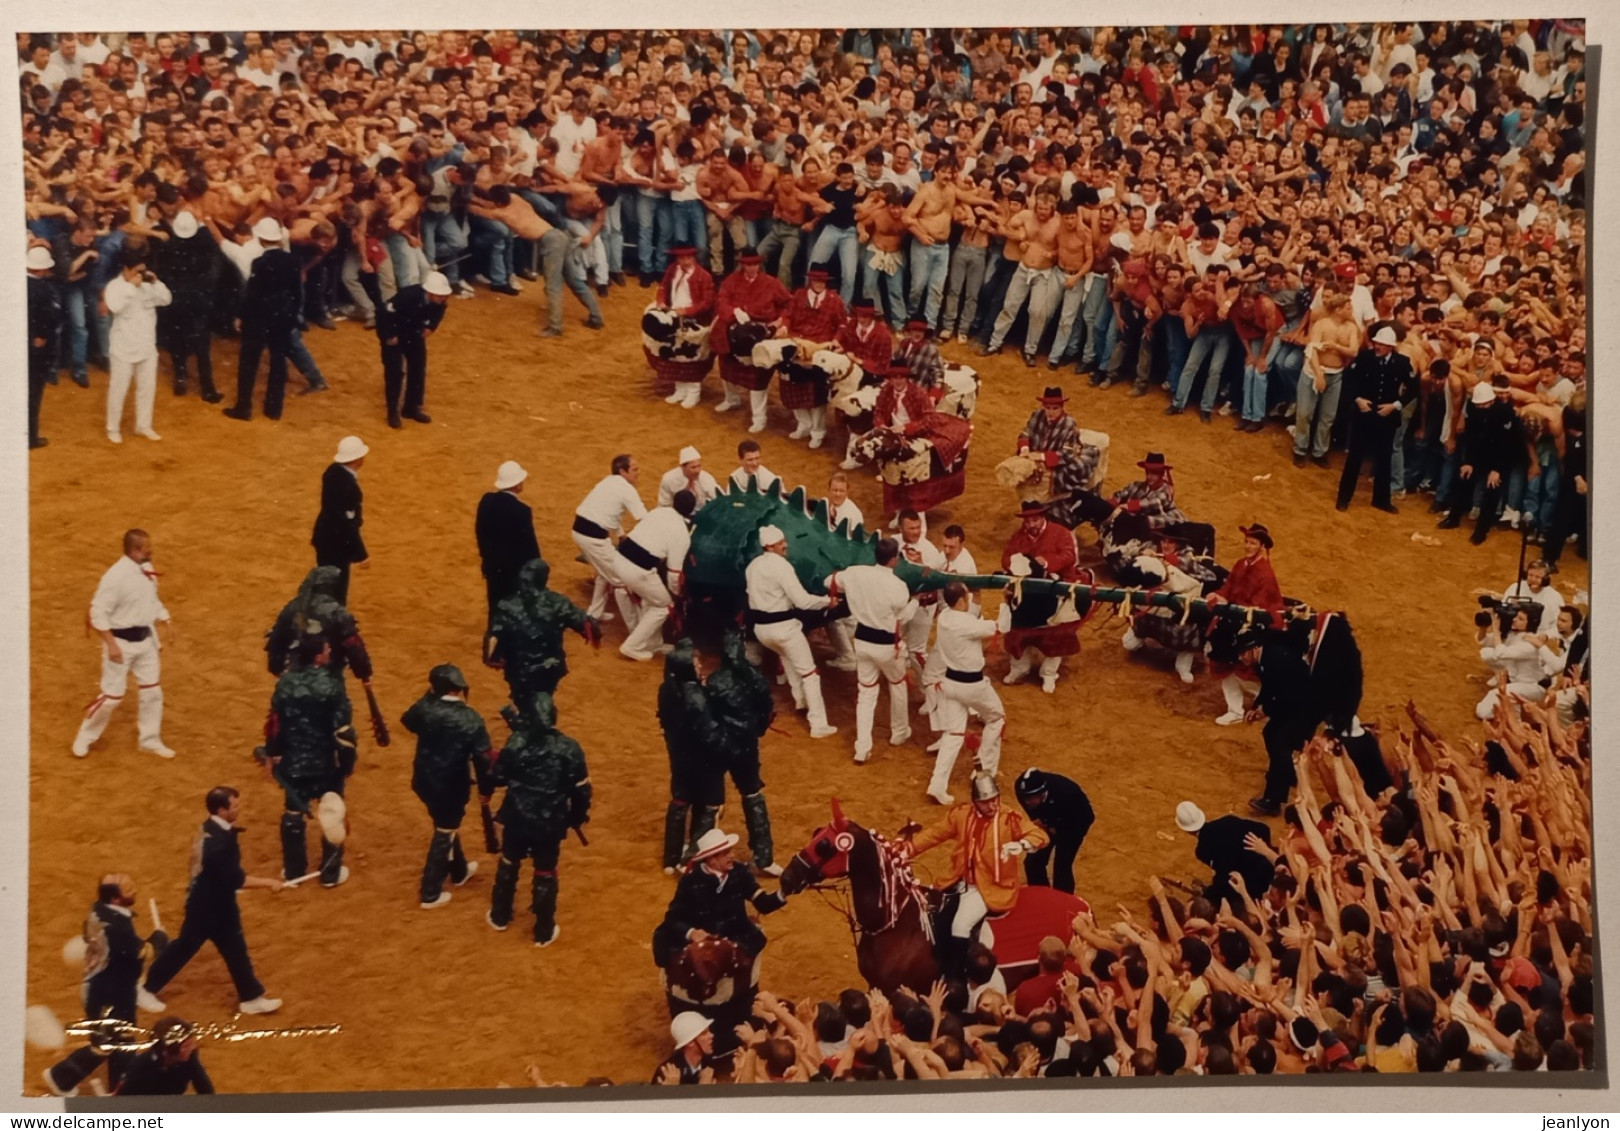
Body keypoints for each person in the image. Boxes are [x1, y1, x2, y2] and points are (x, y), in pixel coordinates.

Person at [140, 786, 282, 1016]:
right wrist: (268, 883)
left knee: (236, 949)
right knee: (185, 947)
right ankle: (146, 988)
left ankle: (251, 997)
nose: (239, 809)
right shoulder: (218, 844)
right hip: (205, 908)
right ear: (221, 810)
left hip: (220, 903)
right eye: (234, 806)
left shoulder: (212, 830)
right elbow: (237, 879)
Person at [902, 773, 1049, 979]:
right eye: (985, 802)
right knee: (933, 911)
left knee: (961, 924)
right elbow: (934, 835)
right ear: (975, 802)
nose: (992, 806)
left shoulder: (1009, 818)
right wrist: (904, 850)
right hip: (959, 880)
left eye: (994, 800)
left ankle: (956, 978)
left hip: (990, 887)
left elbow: (1039, 835)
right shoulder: (961, 815)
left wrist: (1023, 843)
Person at [42, 875, 167, 1097]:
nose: (135, 890)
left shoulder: (98, 910)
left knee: (117, 1041)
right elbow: (142, 953)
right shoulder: (117, 929)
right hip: (109, 996)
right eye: (129, 889)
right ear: (116, 899)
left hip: (105, 988)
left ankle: (113, 1088)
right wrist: (159, 940)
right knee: (111, 1043)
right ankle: (61, 1077)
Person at [485, 692, 592, 946]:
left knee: (509, 864)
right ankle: (543, 931)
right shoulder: (569, 748)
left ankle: (500, 916)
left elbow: (497, 777)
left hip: (516, 818)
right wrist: (575, 817)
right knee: (545, 872)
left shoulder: (517, 741)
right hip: (549, 823)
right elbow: (581, 790)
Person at [262, 626, 356, 888]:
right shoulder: (333, 686)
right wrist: (347, 762)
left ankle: (294, 872)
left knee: (293, 812)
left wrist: (271, 756)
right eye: (325, 650)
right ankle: (330, 873)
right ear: (317, 657)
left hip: (293, 762)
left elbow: (275, 724)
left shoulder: (285, 683)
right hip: (327, 764)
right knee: (332, 811)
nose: (329, 652)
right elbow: (344, 731)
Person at [72, 529, 174, 760]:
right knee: (112, 697)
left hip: (145, 641)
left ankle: (149, 740)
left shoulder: (146, 568)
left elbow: (150, 599)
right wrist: (112, 645)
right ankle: (85, 736)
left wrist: (164, 617)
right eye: (148, 547)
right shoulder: (114, 578)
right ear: (135, 550)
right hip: (120, 643)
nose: (151, 550)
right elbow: (97, 613)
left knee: (152, 691)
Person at [402, 664, 494, 909]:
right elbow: (484, 760)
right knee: (444, 830)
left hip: (423, 780)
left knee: (445, 822)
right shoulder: (470, 718)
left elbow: (407, 720)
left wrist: (429, 695)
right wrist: (486, 790)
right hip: (452, 785)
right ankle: (430, 892)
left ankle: (459, 870)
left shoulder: (425, 709)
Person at [826, 538, 918, 764]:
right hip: (886, 645)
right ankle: (899, 732)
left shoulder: (856, 573)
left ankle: (862, 747)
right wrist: (916, 601)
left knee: (866, 693)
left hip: (862, 642)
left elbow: (830, 581)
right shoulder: (898, 586)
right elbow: (903, 615)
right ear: (895, 559)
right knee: (897, 684)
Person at [652, 825, 787, 974]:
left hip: (735, 935)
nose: (732, 856)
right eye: (726, 853)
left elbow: (763, 904)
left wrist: (784, 892)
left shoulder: (739, 872)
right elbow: (673, 918)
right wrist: (692, 933)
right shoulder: (690, 881)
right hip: (702, 941)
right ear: (711, 859)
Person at [746, 525, 837, 738]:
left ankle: (800, 700)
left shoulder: (752, 566)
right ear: (770, 546)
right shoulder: (782, 566)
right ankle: (818, 724)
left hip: (761, 630)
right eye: (780, 543)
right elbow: (802, 601)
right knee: (810, 673)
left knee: (787, 658)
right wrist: (827, 602)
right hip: (783, 628)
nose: (785, 545)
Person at [705, 628, 780, 876]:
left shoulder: (714, 682)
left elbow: (706, 717)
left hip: (719, 747)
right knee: (753, 795)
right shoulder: (755, 679)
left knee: (712, 802)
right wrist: (755, 731)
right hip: (746, 747)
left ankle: (703, 857)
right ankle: (764, 856)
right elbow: (767, 710)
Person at [927, 581, 1003, 805]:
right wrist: (1007, 602)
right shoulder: (967, 623)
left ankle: (937, 784)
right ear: (961, 601)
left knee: (953, 734)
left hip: (950, 683)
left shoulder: (944, 617)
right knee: (996, 719)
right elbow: (999, 627)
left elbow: (973, 621)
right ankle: (986, 771)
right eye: (967, 597)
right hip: (973, 685)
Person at [486, 557, 600, 704]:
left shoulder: (506, 605)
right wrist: (594, 634)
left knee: (522, 700)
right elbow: (586, 624)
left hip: (520, 667)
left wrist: (493, 658)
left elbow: (496, 635)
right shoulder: (559, 603)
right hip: (549, 666)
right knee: (544, 699)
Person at [1207, 523, 1286, 726]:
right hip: (1234, 620)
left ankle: (1274, 701)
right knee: (1223, 660)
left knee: (1244, 669)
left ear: (1261, 546)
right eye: (1247, 542)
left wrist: (1235, 613)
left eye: (1253, 543)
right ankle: (1235, 710)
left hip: (1255, 626)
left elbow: (1259, 608)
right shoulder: (1241, 564)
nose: (1248, 546)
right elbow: (1228, 588)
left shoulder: (1265, 574)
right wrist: (1218, 595)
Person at [659, 640, 727, 872]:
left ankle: (670, 859)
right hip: (702, 760)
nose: (699, 666)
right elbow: (709, 733)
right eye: (695, 663)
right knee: (710, 806)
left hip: (678, 757)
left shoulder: (667, 689)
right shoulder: (695, 697)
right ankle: (690, 859)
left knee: (680, 802)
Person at [223, 218, 300, 423]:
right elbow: (297, 292)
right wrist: (292, 316)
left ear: (262, 239)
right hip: (282, 317)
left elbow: (252, 294)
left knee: (249, 362)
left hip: (259, 318)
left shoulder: (260, 263)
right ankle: (274, 408)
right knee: (278, 360)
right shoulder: (292, 261)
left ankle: (244, 407)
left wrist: (241, 314)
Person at [1000, 501, 1080, 694]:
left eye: (1035, 520)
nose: (1031, 525)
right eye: (1028, 521)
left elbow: (1069, 556)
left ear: (1043, 517)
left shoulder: (1061, 533)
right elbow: (1005, 559)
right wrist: (1018, 563)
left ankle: (1049, 673)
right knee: (1015, 622)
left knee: (1058, 628)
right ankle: (1020, 667)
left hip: (1056, 590)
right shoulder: (1018, 537)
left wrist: (1047, 563)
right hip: (1026, 593)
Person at [1335, 326, 1416, 515]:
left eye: (1382, 344)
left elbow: (1413, 389)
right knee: (1354, 458)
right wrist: (1358, 399)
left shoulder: (1402, 363)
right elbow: (1349, 380)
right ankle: (1344, 498)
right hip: (1364, 415)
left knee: (1384, 460)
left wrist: (1395, 405)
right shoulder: (1365, 358)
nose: (1377, 346)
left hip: (1386, 418)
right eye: (1376, 343)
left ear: (1390, 347)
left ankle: (1381, 500)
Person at [1238, 630, 1318, 817]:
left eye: (1244, 652)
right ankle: (1285, 780)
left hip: (1306, 709)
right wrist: (1255, 706)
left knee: (1279, 742)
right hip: (1295, 706)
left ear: (1255, 648)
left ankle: (1279, 791)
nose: (1241, 658)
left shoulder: (1276, 660)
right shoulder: (1265, 660)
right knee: (1273, 737)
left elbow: (1289, 694)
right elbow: (1270, 687)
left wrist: (1265, 711)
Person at [713, 247, 792, 431]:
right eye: (748, 264)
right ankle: (731, 399)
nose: (751, 268)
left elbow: (789, 303)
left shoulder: (772, 283)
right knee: (725, 359)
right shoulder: (731, 281)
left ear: (759, 264)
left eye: (754, 264)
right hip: (735, 328)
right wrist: (733, 311)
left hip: (762, 331)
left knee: (758, 374)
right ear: (742, 265)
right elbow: (721, 301)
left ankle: (759, 417)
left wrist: (781, 321)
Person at [1439, 378, 1525, 545]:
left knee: (1492, 492)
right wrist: (1468, 461)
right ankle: (1453, 517)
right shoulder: (1474, 408)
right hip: (1479, 454)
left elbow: (1507, 445)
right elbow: (1471, 436)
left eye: (1484, 405)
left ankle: (1481, 530)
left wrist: (1497, 469)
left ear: (1492, 400)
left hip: (1501, 458)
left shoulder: (1506, 413)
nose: (1481, 408)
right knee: (1464, 480)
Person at [102, 243, 172, 444]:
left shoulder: (149, 285)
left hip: (147, 346)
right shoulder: (115, 287)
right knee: (119, 388)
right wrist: (131, 286)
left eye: (143, 270)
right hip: (123, 347)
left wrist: (156, 282)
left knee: (147, 388)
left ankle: (144, 425)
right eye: (137, 271)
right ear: (126, 268)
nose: (141, 274)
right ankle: (112, 427)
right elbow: (115, 306)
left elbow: (167, 299)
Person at [618, 489, 696, 661]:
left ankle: (654, 643)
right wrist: (676, 594)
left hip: (619, 560)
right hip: (639, 570)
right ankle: (632, 646)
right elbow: (674, 572)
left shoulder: (659, 511)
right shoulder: (682, 534)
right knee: (663, 606)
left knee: (651, 599)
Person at [573, 453, 648, 624]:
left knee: (604, 573)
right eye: (634, 469)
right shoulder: (627, 490)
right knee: (621, 579)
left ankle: (594, 614)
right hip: (594, 539)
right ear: (622, 471)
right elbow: (643, 517)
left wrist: (620, 534)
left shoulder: (607, 482)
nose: (638, 472)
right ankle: (635, 628)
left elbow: (611, 512)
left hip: (581, 532)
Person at [1015, 387, 1102, 529]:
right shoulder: (1036, 415)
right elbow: (1025, 434)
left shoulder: (1069, 424)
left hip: (1060, 465)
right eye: (1047, 407)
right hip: (1035, 459)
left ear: (1062, 407)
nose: (1051, 412)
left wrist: (1041, 457)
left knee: (1061, 485)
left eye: (1055, 408)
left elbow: (1067, 454)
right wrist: (1025, 449)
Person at [374, 269, 452, 429]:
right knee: (395, 372)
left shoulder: (440, 302)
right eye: (440, 295)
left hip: (414, 333)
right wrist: (389, 335)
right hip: (393, 334)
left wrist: (431, 326)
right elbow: (383, 313)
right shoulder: (407, 296)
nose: (443, 298)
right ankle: (393, 411)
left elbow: (439, 313)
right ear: (429, 292)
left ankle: (412, 407)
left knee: (418, 368)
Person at [652, 244, 718, 408]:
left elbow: (707, 302)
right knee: (675, 355)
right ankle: (680, 389)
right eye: (682, 258)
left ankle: (693, 393)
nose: (685, 261)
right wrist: (661, 301)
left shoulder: (704, 276)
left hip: (694, 321)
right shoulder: (672, 270)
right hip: (674, 316)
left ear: (693, 258)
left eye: (688, 258)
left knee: (692, 357)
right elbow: (663, 287)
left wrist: (688, 311)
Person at [476, 461, 541, 628]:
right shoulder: (522, 511)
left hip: (492, 566)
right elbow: (529, 546)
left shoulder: (486, 501)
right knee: (515, 611)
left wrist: (486, 558)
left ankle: (492, 646)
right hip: (513, 572)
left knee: (495, 608)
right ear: (517, 484)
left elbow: (480, 532)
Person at [1013, 768, 1095, 895]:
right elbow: (1033, 811)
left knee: (1062, 866)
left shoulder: (1067, 793)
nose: (1027, 802)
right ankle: (1041, 896)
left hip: (1073, 826)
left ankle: (1063, 903)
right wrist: (1043, 822)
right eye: (1025, 798)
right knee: (1033, 862)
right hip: (1049, 824)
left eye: (1031, 798)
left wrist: (1060, 831)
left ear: (1042, 793)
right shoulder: (1022, 792)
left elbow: (1087, 818)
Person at [310, 436, 369, 608]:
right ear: (357, 459)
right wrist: (361, 554)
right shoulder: (346, 485)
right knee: (336, 591)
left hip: (326, 538)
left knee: (327, 585)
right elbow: (346, 524)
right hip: (336, 544)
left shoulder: (333, 472)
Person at [111, 1018, 213, 1096]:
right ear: (167, 1051)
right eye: (186, 1046)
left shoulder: (190, 1058)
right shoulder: (139, 1069)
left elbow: (205, 1090)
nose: (193, 1048)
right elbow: (123, 1099)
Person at [26, 244, 60, 449]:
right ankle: (30, 437)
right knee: (33, 393)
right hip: (36, 348)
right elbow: (51, 319)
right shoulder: (43, 290)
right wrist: (41, 336)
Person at [654, 1013, 717, 1085]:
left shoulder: (708, 1063)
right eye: (704, 1033)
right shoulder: (667, 1073)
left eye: (709, 1031)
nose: (711, 1035)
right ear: (690, 1043)